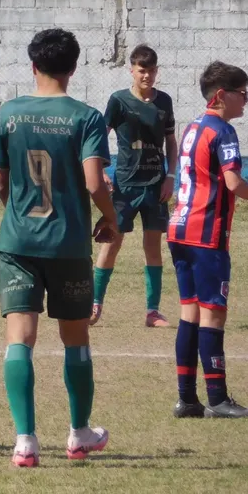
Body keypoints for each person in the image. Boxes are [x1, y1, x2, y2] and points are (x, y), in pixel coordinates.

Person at [0, 28, 117, 468]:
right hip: (67, 244)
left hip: (17, 242)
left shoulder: (9, 111)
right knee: (75, 340)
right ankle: (78, 434)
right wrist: (112, 217)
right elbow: (94, 181)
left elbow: (2, 179)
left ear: (33, 65)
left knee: (20, 340)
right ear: (74, 67)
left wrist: (16, 212)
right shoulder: (86, 117)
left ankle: (25, 440)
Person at [167, 61, 248, 420]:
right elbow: (232, 182)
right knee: (214, 314)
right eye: (241, 92)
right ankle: (217, 398)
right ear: (220, 95)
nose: (246, 99)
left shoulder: (192, 127)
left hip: (179, 230)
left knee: (190, 314)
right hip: (206, 235)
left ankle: (187, 399)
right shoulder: (222, 130)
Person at [91, 45, 177, 328]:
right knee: (111, 244)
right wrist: (101, 168)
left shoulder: (164, 101)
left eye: (151, 70)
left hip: (155, 186)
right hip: (125, 185)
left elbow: (171, 141)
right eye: (142, 70)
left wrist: (170, 176)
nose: (147, 76)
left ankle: (153, 312)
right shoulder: (118, 101)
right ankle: (94, 305)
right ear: (132, 70)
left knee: (153, 247)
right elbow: (101, 135)